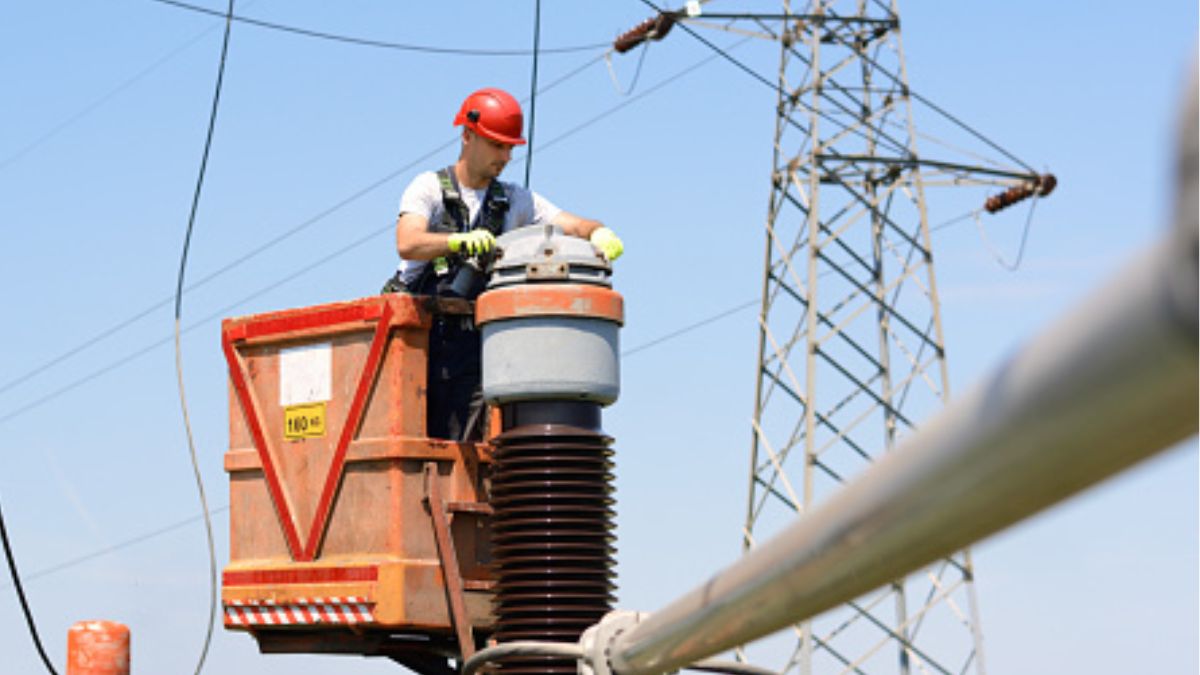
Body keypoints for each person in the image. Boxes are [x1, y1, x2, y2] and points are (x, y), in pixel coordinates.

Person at [387, 87, 624, 441]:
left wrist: (598, 232)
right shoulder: (429, 189)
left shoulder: (514, 200)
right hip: (421, 348)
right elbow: (408, 242)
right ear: (467, 136)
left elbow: (572, 223)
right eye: (497, 145)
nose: (506, 155)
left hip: (477, 353)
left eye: (510, 147)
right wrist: (454, 242)